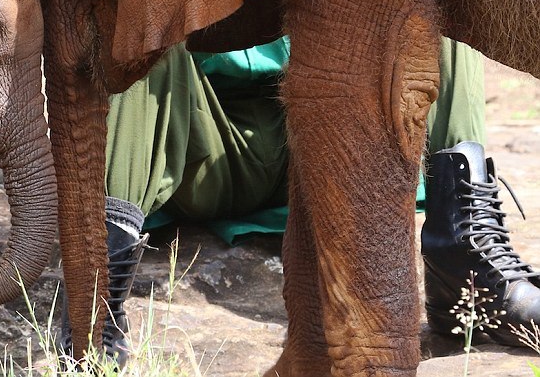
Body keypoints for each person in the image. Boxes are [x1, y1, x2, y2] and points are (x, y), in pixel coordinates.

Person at [60, 37, 540, 364]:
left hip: (325, 141)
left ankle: (466, 273)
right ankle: (96, 299)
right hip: (206, 146)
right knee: (138, 24)